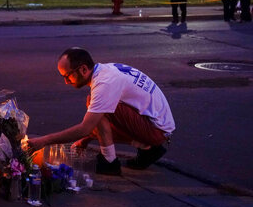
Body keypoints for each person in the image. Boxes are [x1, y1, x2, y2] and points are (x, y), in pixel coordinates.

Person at [28, 48, 176, 176]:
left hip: (157, 130)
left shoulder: (104, 83)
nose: (66, 82)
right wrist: (87, 139)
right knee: (96, 107)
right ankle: (147, 148)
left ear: (83, 69)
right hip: (156, 124)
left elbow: (85, 128)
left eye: (67, 76)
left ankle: (109, 162)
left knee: (96, 107)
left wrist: (44, 141)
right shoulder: (105, 70)